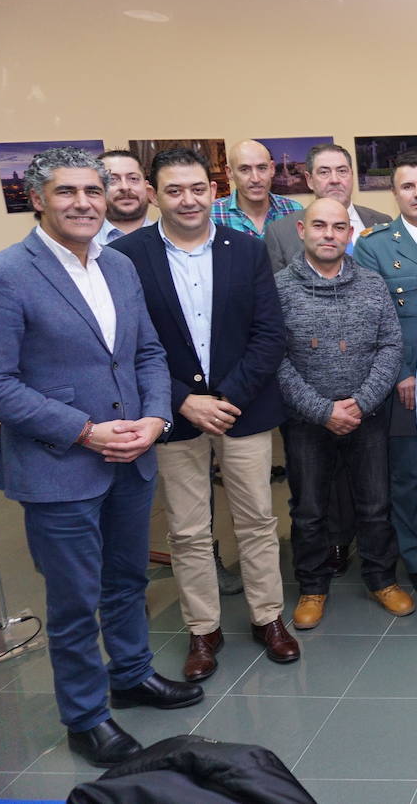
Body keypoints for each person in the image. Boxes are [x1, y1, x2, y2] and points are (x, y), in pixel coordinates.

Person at [0, 147, 200, 767]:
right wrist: (83, 431)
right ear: (38, 199)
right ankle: (86, 715)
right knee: (76, 599)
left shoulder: (118, 267)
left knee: (127, 580)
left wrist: (157, 418)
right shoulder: (6, 274)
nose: (82, 203)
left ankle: (131, 674)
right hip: (61, 467)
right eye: (65, 192)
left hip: (131, 457)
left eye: (91, 192)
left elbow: (148, 355)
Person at [110, 145, 296, 683]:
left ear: (213, 192)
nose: (187, 199)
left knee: (258, 520)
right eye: (173, 190)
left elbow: (269, 333)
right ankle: (203, 628)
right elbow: (131, 343)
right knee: (189, 531)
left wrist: (228, 398)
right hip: (172, 412)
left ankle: (268, 617)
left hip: (244, 407)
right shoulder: (129, 257)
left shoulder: (246, 249)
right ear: (153, 195)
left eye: (197, 189)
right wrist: (183, 400)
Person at [275, 198, 411, 628]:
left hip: (366, 416)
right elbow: (274, 358)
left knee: (375, 505)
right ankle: (312, 588)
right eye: (319, 226)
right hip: (305, 421)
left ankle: (382, 579)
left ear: (349, 235)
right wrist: (321, 409)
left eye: (338, 227)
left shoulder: (371, 284)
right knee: (310, 510)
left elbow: (391, 345)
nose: (329, 234)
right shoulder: (278, 288)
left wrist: (364, 400)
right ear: (302, 230)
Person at [353, 151, 417, 599]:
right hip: (407, 384)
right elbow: (373, 320)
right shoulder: (374, 246)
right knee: (410, 474)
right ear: (394, 193)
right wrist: (400, 373)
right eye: (408, 186)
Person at [265, 143, 391, 272]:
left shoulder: (382, 222)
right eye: (324, 172)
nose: (335, 180)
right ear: (309, 180)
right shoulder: (280, 232)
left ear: (352, 176)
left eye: (342, 171)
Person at [210, 139, 302, 239]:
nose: (255, 179)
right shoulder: (212, 214)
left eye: (262, 168)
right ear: (230, 173)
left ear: (272, 169)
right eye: (244, 169)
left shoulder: (294, 211)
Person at [97, 149, 154, 243]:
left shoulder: (169, 238)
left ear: (147, 188)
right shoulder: (83, 242)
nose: (125, 187)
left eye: (133, 178)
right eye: (112, 179)